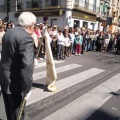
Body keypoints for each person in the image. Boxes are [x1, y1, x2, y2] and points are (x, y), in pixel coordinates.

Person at [0, 12, 36, 120]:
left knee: (10, 113)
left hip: (5, 79)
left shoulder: (8, 32)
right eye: (34, 25)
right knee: (17, 115)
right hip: (16, 83)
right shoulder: (26, 38)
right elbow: (27, 66)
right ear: (31, 24)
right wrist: (27, 88)